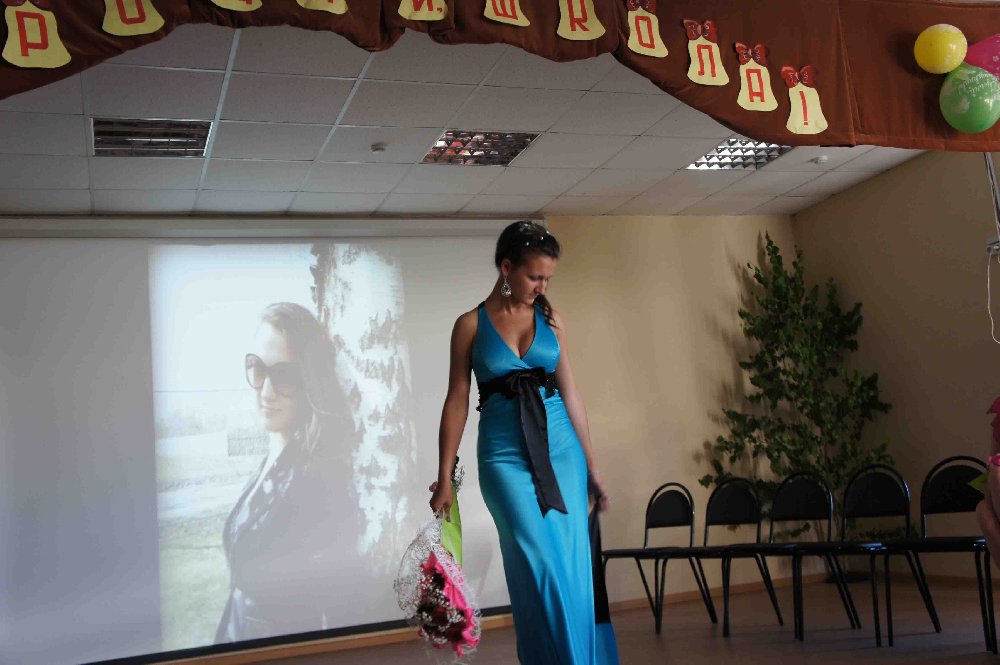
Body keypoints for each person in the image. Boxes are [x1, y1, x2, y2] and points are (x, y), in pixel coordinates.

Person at [429, 221, 618, 664]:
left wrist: (592, 468)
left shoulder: (551, 321)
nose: (542, 287)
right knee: (538, 567)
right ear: (506, 268)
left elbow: (571, 394)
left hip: (563, 456)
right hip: (504, 460)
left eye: (548, 278)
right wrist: (444, 477)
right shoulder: (469, 325)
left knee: (571, 569)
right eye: (534, 277)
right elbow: (457, 399)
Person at [216, 302, 359, 643]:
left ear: (309, 380)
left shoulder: (317, 479)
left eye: (284, 376)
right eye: (258, 369)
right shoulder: (274, 459)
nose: (266, 392)